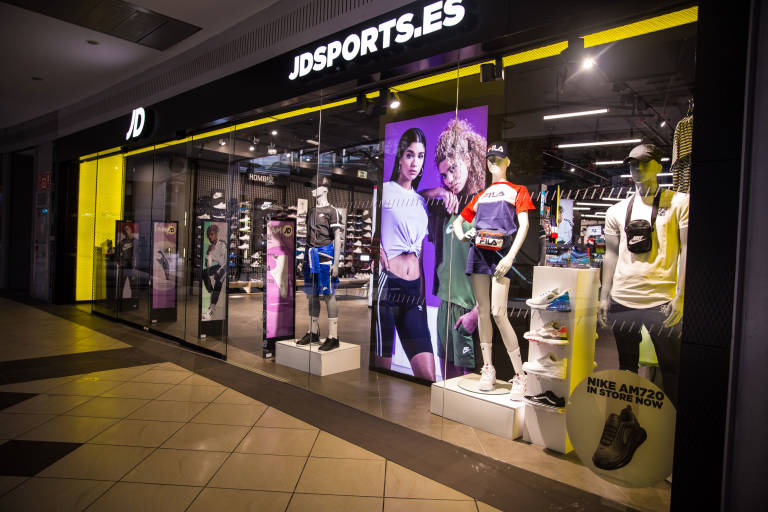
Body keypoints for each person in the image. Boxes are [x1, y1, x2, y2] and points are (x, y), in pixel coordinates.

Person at [598, 144, 688, 406]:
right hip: (623, 299)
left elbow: (686, 250)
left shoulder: (679, 203)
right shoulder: (616, 210)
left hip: (662, 299)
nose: (637, 169)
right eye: (632, 164)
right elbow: (610, 254)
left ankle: (672, 429)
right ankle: (627, 418)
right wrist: (605, 296)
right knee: (626, 365)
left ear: (658, 166)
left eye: (643, 163)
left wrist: (681, 295)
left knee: (671, 366)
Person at [453, 142, 535, 400]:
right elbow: (458, 221)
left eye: (498, 159)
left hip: (501, 255)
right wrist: (462, 234)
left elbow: (524, 225)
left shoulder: (517, 191)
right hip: (478, 252)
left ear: (507, 162)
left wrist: (511, 256)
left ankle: (520, 376)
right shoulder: (481, 195)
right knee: (484, 312)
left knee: (500, 314)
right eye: (490, 159)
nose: (494, 164)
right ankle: (488, 367)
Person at [420, 119, 486, 377]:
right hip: (445, 303)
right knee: (445, 374)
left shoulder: (482, 208)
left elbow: (496, 269)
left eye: (454, 170)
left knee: (467, 377)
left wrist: (477, 313)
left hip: (468, 306)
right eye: (444, 174)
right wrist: (437, 191)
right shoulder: (444, 208)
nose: (449, 179)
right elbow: (414, 195)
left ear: (469, 161)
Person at [377, 128, 435, 381]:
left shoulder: (421, 202)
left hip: (413, 293)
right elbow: (371, 231)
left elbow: (420, 252)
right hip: (388, 286)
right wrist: (372, 249)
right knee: (381, 372)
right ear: (400, 156)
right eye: (410, 155)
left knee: (428, 377)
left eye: (420, 156)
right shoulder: (384, 191)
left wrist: (421, 290)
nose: (414, 162)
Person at [202, 223, 227, 321]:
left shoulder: (222, 244)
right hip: (219, 266)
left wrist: (220, 270)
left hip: (226, 266)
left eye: (212, 234)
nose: (210, 236)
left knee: (218, 277)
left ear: (216, 234)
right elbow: (207, 266)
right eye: (209, 235)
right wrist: (208, 253)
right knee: (204, 272)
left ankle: (212, 307)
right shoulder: (210, 247)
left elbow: (226, 260)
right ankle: (211, 291)